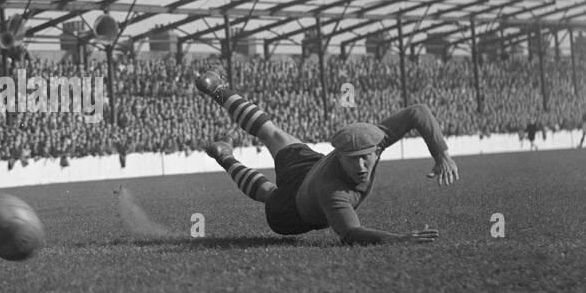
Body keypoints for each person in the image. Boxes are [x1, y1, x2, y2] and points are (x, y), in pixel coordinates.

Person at [194, 71, 458, 245]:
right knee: (269, 192)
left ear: (376, 150)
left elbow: (418, 112)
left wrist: (441, 154)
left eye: (365, 158)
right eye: (352, 159)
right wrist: (397, 239)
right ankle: (224, 153)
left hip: (311, 170)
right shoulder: (334, 191)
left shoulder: (376, 139)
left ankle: (217, 99)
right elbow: (351, 233)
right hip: (290, 211)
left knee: (273, 135)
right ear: (339, 155)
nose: (361, 166)